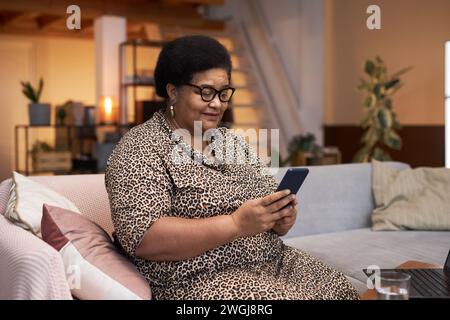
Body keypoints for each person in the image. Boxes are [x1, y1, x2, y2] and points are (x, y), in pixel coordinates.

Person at [105, 35, 359, 300]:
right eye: (205, 92)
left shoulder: (230, 141)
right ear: (173, 91)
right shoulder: (141, 148)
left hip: (273, 262)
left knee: (341, 290)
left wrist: (280, 219)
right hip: (199, 280)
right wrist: (235, 224)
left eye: (223, 93)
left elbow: (265, 201)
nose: (217, 103)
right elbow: (144, 238)